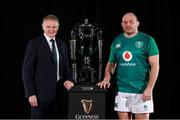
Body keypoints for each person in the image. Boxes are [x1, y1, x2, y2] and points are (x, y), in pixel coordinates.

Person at [97, 12, 159, 120]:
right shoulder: (117, 41)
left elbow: (155, 66)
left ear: (137, 23)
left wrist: (149, 89)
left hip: (141, 91)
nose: (128, 24)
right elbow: (111, 64)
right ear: (122, 24)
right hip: (122, 91)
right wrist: (107, 78)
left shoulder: (148, 40)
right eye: (125, 22)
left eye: (131, 22)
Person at [22, 14, 74, 119]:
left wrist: (69, 79)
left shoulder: (62, 45)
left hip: (59, 97)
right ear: (43, 27)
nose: (51, 29)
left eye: (54, 27)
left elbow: (66, 69)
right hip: (40, 98)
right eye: (48, 27)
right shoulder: (34, 44)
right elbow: (26, 71)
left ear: (58, 27)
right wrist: (30, 94)